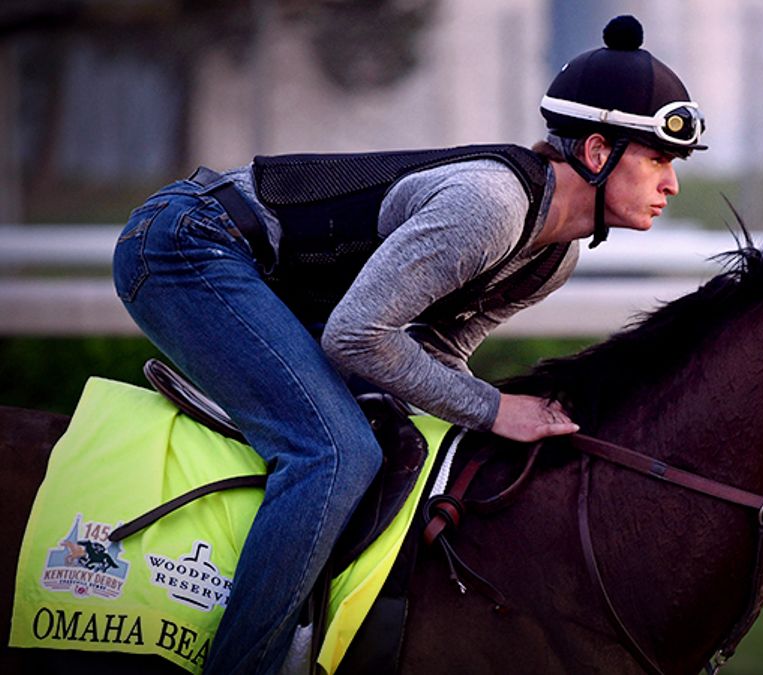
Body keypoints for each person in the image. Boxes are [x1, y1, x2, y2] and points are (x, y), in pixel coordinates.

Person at [111, 13, 705, 674]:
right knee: (334, 452)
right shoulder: (491, 206)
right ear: (597, 154)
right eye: (658, 158)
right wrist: (495, 408)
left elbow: (437, 354)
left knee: (397, 435)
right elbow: (356, 338)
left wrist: (499, 415)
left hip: (260, 276)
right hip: (187, 244)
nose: (671, 184)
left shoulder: (553, 256)